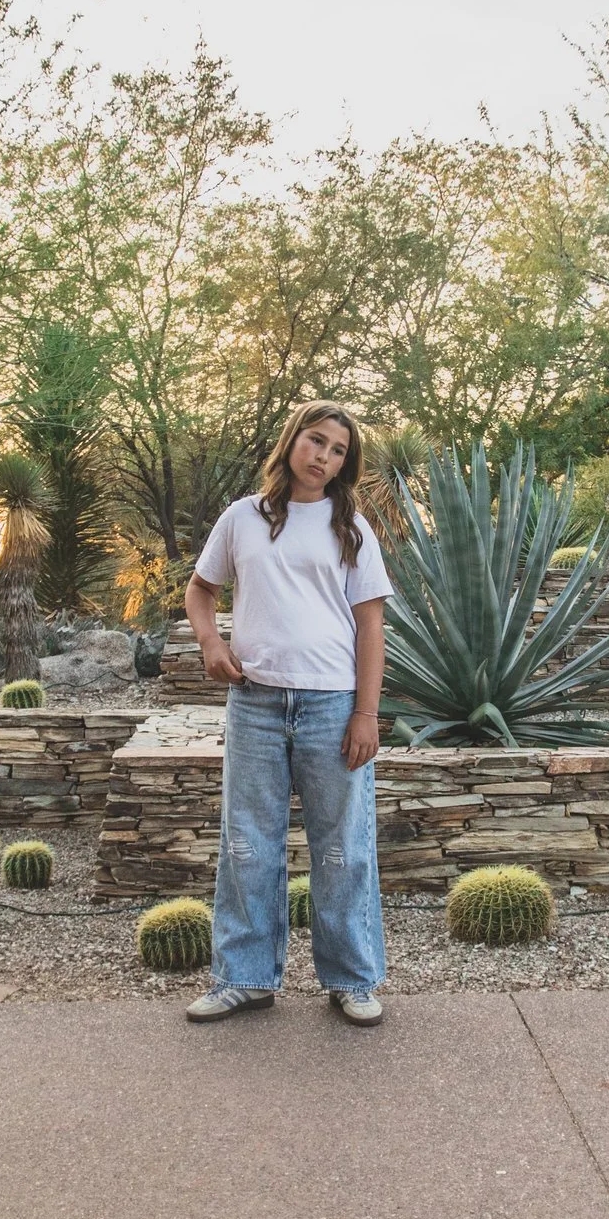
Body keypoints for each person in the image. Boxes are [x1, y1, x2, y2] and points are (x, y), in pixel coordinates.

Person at [181, 401, 393, 1026]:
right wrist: (211, 643)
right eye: (315, 440)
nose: (322, 456)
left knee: (343, 847)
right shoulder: (242, 518)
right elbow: (201, 588)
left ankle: (353, 979)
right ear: (292, 440)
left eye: (337, 451)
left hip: (332, 704)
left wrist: (367, 713)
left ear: (344, 464)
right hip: (255, 701)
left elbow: (370, 625)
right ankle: (243, 978)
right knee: (247, 842)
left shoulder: (350, 526)